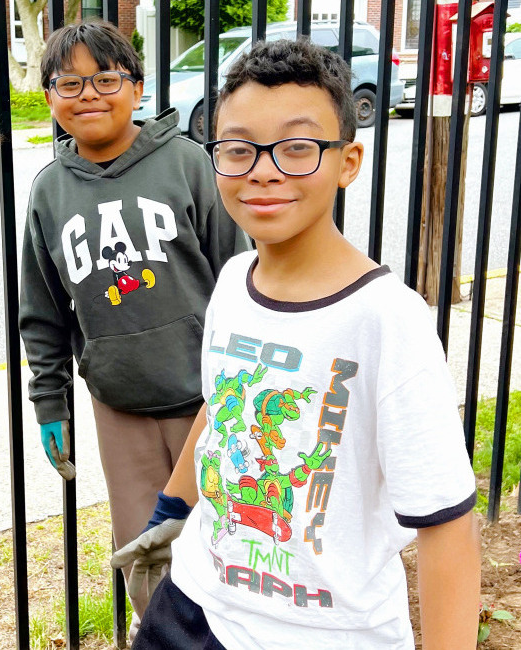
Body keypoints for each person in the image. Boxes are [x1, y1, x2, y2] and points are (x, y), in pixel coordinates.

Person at [113, 39, 481, 649]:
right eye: (238, 149)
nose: (263, 170)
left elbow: (448, 526)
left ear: (348, 161)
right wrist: (170, 511)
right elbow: (223, 408)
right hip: (191, 608)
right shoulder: (235, 280)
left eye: (297, 147)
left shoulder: (387, 319)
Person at [19, 18, 249, 624]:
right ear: (49, 97)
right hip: (119, 404)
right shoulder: (49, 192)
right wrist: (50, 403)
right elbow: (43, 312)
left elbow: (240, 277)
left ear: (137, 87)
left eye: (105, 79)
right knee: (145, 557)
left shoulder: (189, 164)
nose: (88, 95)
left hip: (208, 399)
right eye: (69, 83)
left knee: (230, 540)